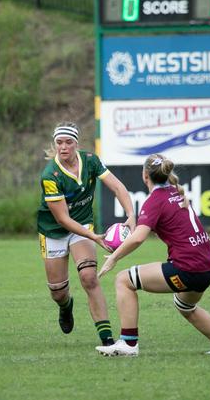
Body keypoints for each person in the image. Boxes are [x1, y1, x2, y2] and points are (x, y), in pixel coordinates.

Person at [96, 154, 210, 357]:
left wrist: (113, 258)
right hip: (207, 266)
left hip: (187, 269)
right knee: (185, 305)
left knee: (123, 280)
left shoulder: (155, 200)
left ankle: (128, 344)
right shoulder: (176, 192)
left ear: (145, 175)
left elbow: (138, 238)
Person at [37, 122, 135, 347]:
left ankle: (107, 339)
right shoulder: (50, 175)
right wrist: (97, 238)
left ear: (76, 144)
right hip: (53, 231)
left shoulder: (91, 160)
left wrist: (131, 214)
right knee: (58, 292)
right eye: (59, 142)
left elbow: (118, 187)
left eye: (68, 142)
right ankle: (65, 306)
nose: (63, 147)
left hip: (82, 226)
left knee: (89, 278)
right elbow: (63, 219)